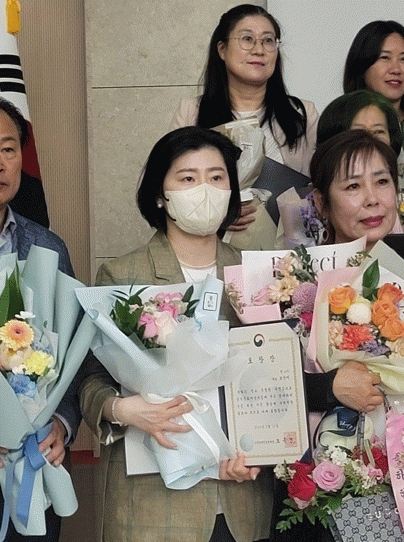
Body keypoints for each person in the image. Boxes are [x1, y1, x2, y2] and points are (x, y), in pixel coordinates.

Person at [80, 126, 273, 542]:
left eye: (217, 177)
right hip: (153, 504)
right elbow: (91, 380)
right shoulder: (123, 275)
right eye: (188, 178)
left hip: (241, 495)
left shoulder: (256, 273)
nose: (205, 189)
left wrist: (269, 449)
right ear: (159, 195)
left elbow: (276, 377)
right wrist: (121, 410)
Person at [170, 4, 318, 248]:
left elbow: (320, 187)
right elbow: (170, 189)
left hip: (285, 255)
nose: (259, 50)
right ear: (222, 49)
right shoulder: (192, 113)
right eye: (247, 39)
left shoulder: (302, 114)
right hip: (210, 249)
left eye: (268, 41)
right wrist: (216, 213)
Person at [0, 97, 81, 541]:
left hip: (34, 463)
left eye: (8, 149)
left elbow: (75, 359)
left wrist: (61, 425)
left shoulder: (47, 247)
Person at [343, 20, 404, 186]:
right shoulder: (342, 126)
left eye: (403, 59)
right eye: (385, 57)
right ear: (362, 65)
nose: (396, 69)